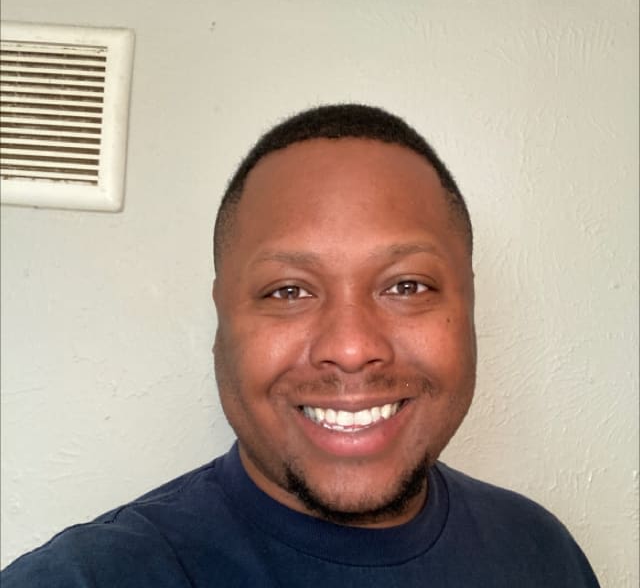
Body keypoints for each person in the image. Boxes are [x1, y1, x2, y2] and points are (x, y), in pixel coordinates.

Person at [2, 104, 599, 586]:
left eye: (407, 286)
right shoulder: (91, 577)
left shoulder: (542, 550)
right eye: (288, 291)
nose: (351, 348)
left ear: (469, 305)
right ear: (222, 320)